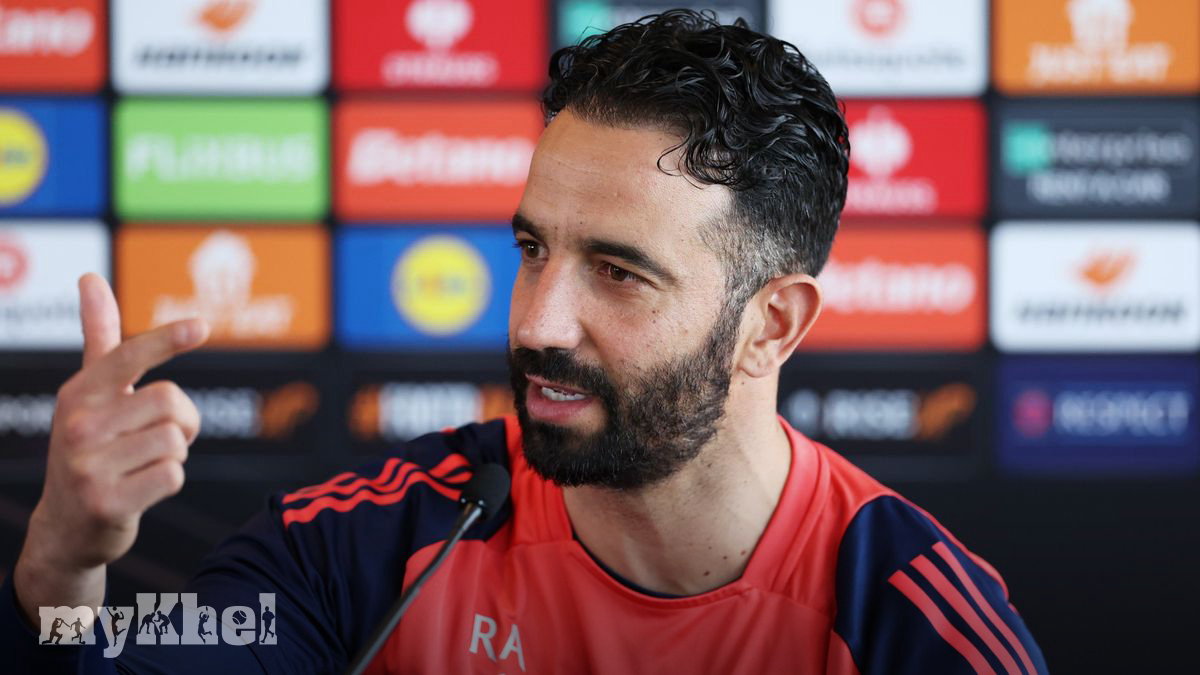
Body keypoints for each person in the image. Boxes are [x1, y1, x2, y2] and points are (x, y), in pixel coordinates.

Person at [1, 10, 1046, 674]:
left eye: (619, 271)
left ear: (771, 324)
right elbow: (110, 658)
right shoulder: (370, 545)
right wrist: (61, 564)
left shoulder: (914, 622)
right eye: (534, 249)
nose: (538, 322)